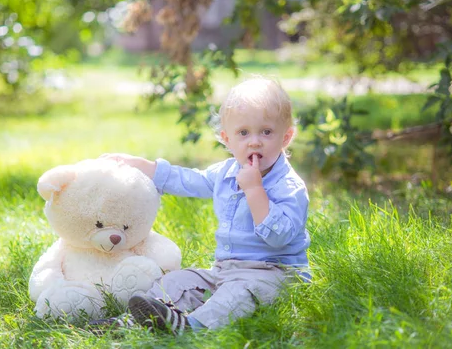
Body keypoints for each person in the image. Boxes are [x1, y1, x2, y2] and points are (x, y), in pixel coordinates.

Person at [95, 77, 311, 335]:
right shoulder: (226, 173)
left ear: (286, 137)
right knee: (177, 281)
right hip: (224, 270)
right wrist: (144, 166)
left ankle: (191, 327)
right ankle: (138, 321)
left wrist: (255, 190)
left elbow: (280, 237)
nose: (254, 142)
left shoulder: (289, 186)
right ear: (227, 139)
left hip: (274, 274)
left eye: (266, 132)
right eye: (243, 133)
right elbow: (188, 180)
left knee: (237, 295)